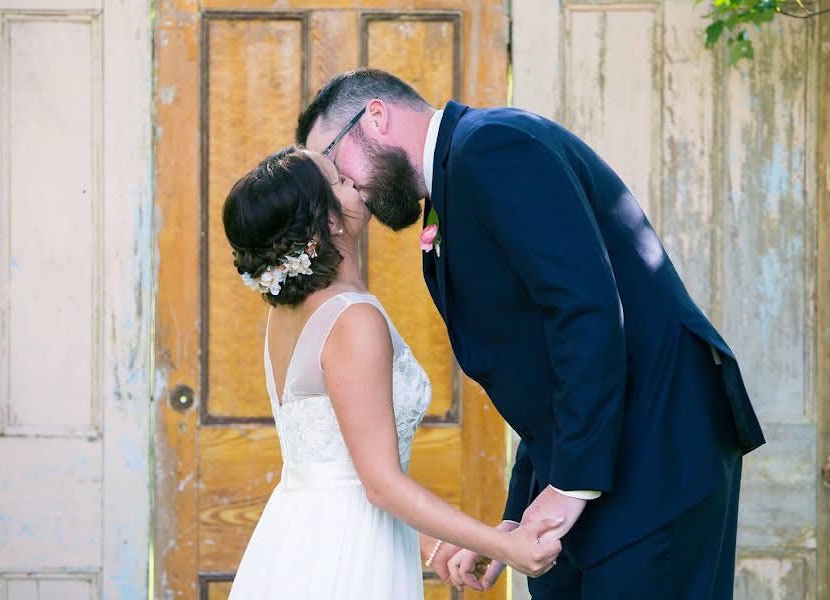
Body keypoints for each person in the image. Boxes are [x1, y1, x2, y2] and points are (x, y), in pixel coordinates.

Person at [296, 68, 766, 599]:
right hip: (595, 463)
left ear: (375, 117)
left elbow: (584, 308)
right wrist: (514, 521)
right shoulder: (451, 190)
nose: (345, 190)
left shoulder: (493, 147)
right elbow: (537, 374)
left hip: (659, 453)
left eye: (335, 163)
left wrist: (567, 486)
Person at [222, 146, 562, 600]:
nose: (352, 177)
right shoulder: (351, 318)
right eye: (339, 181)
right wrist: (504, 545)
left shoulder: (288, 313)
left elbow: (346, 460)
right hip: (347, 546)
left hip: (301, 530)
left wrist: (434, 540)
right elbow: (379, 482)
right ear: (328, 223)